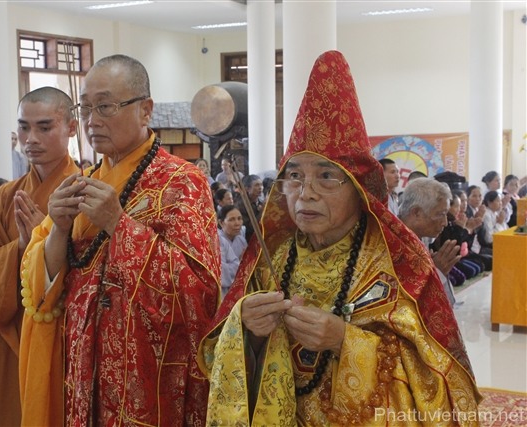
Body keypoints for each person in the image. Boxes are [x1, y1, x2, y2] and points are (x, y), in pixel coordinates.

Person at [198, 51, 479, 425]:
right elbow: (218, 353)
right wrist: (247, 330)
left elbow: (439, 380)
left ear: (359, 188)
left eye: (326, 176)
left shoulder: (399, 263)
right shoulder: (271, 257)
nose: (306, 194)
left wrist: (344, 341)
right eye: (294, 176)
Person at [19, 54, 220, 426]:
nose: (92, 121)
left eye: (106, 106)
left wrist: (119, 225)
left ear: (145, 110)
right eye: (85, 108)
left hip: (150, 376)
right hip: (83, 370)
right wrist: (59, 228)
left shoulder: (182, 182)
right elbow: (46, 289)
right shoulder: (82, 183)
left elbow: (199, 292)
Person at [0, 86, 80, 426]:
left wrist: (49, 242)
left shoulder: (86, 190)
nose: (31, 139)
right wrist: (20, 249)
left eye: (44, 127)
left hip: (69, 344)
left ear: (71, 127)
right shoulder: (4, 198)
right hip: (13, 343)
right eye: (24, 127)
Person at [399, 178, 460, 306]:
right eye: (440, 214)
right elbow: (403, 302)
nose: (444, 222)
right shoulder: (394, 244)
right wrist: (435, 273)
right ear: (416, 213)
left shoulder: (420, 236)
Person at [217, 205, 247, 297]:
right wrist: (240, 264)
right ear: (221, 223)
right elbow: (221, 271)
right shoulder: (217, 241)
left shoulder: (241, 240)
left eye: (239, 218)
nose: (237, 223)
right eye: (231, 220)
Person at [235, 174, 264, 242]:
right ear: (247, 188)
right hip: (249, 240)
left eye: (261, 185)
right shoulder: (241, 205)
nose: (260, 188)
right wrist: (262, 211)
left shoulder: (261, 201)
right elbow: (248, 228)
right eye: (257, 185)